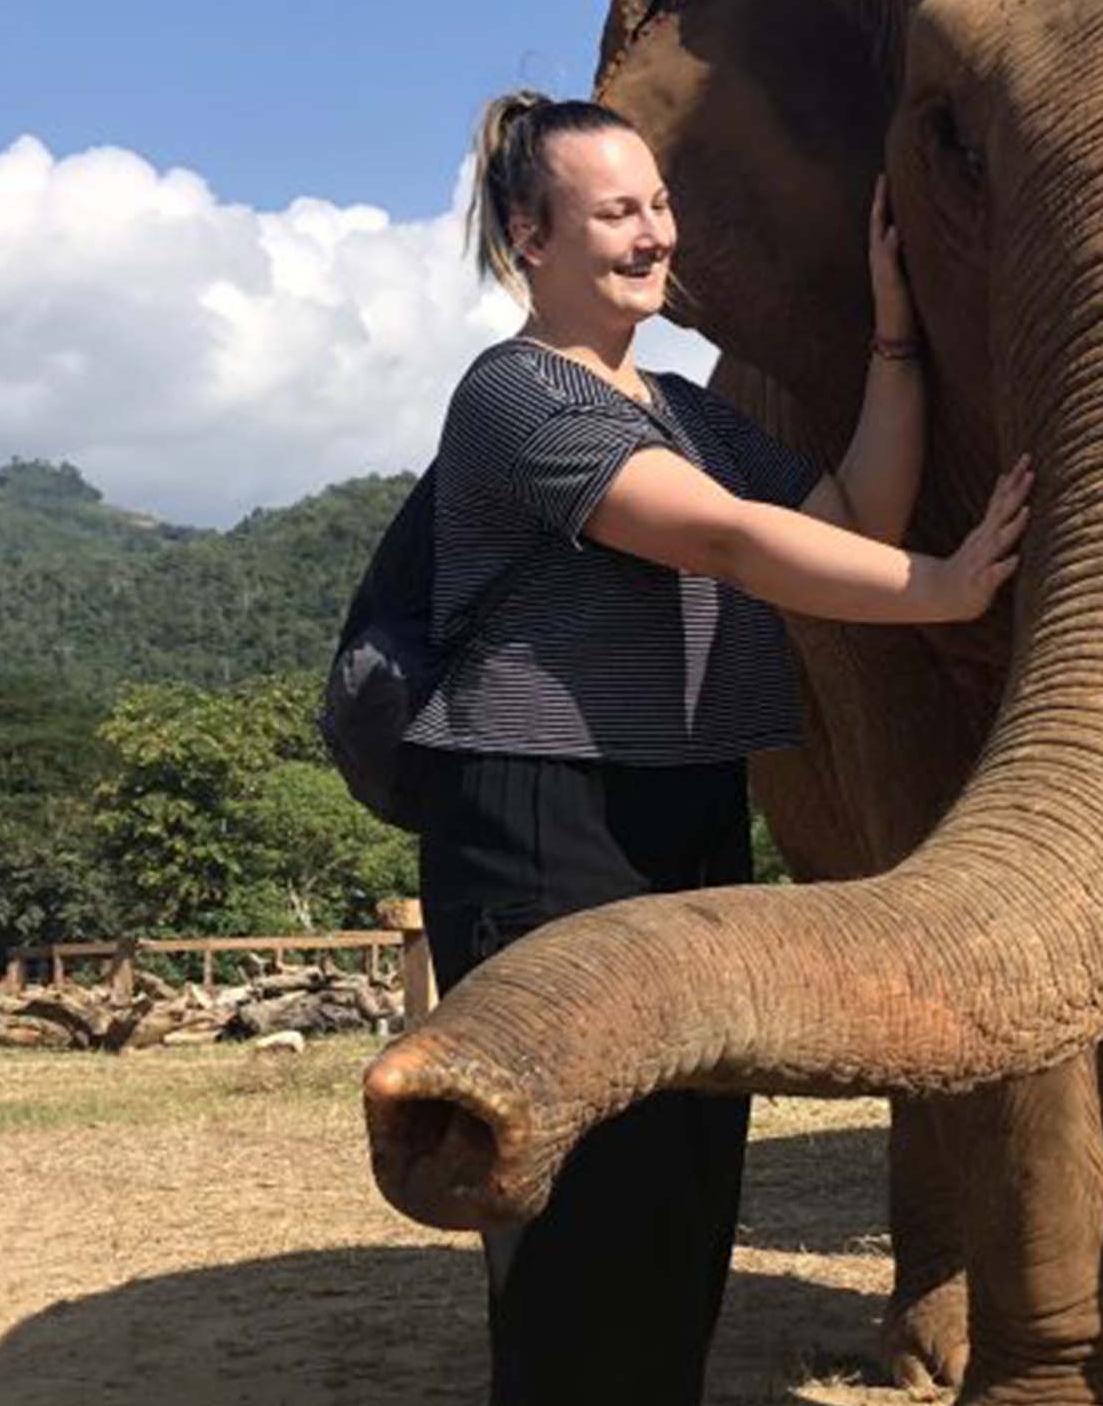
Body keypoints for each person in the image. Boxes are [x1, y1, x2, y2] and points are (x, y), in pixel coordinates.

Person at [406, 90, 1030, 1405]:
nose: (652, 235)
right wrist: (947, 588)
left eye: (659, 206)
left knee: (688, 1182)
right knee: (584, 1210)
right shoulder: (517, 398)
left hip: (685, 809)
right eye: (615, 212)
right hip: (544, 819)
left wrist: (896, 329)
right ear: (532, 236)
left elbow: (853, 509)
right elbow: (729, 542)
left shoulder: (687, 409)